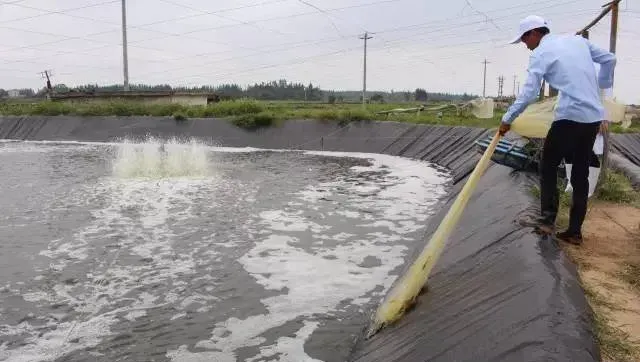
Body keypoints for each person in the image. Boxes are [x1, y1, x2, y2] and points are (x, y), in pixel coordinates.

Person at [498, 15, 616, 245]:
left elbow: (530, 93)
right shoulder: (577, 41)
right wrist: (602, 83)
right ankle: (574, 231)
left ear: (534, 33)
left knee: (548, 165)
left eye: (524, 39)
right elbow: (610, 59)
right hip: (592, 118)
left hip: (569, 117)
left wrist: (507, 118)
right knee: (580, 173)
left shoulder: (540, 54)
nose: (525, 44)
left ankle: (547, 221)